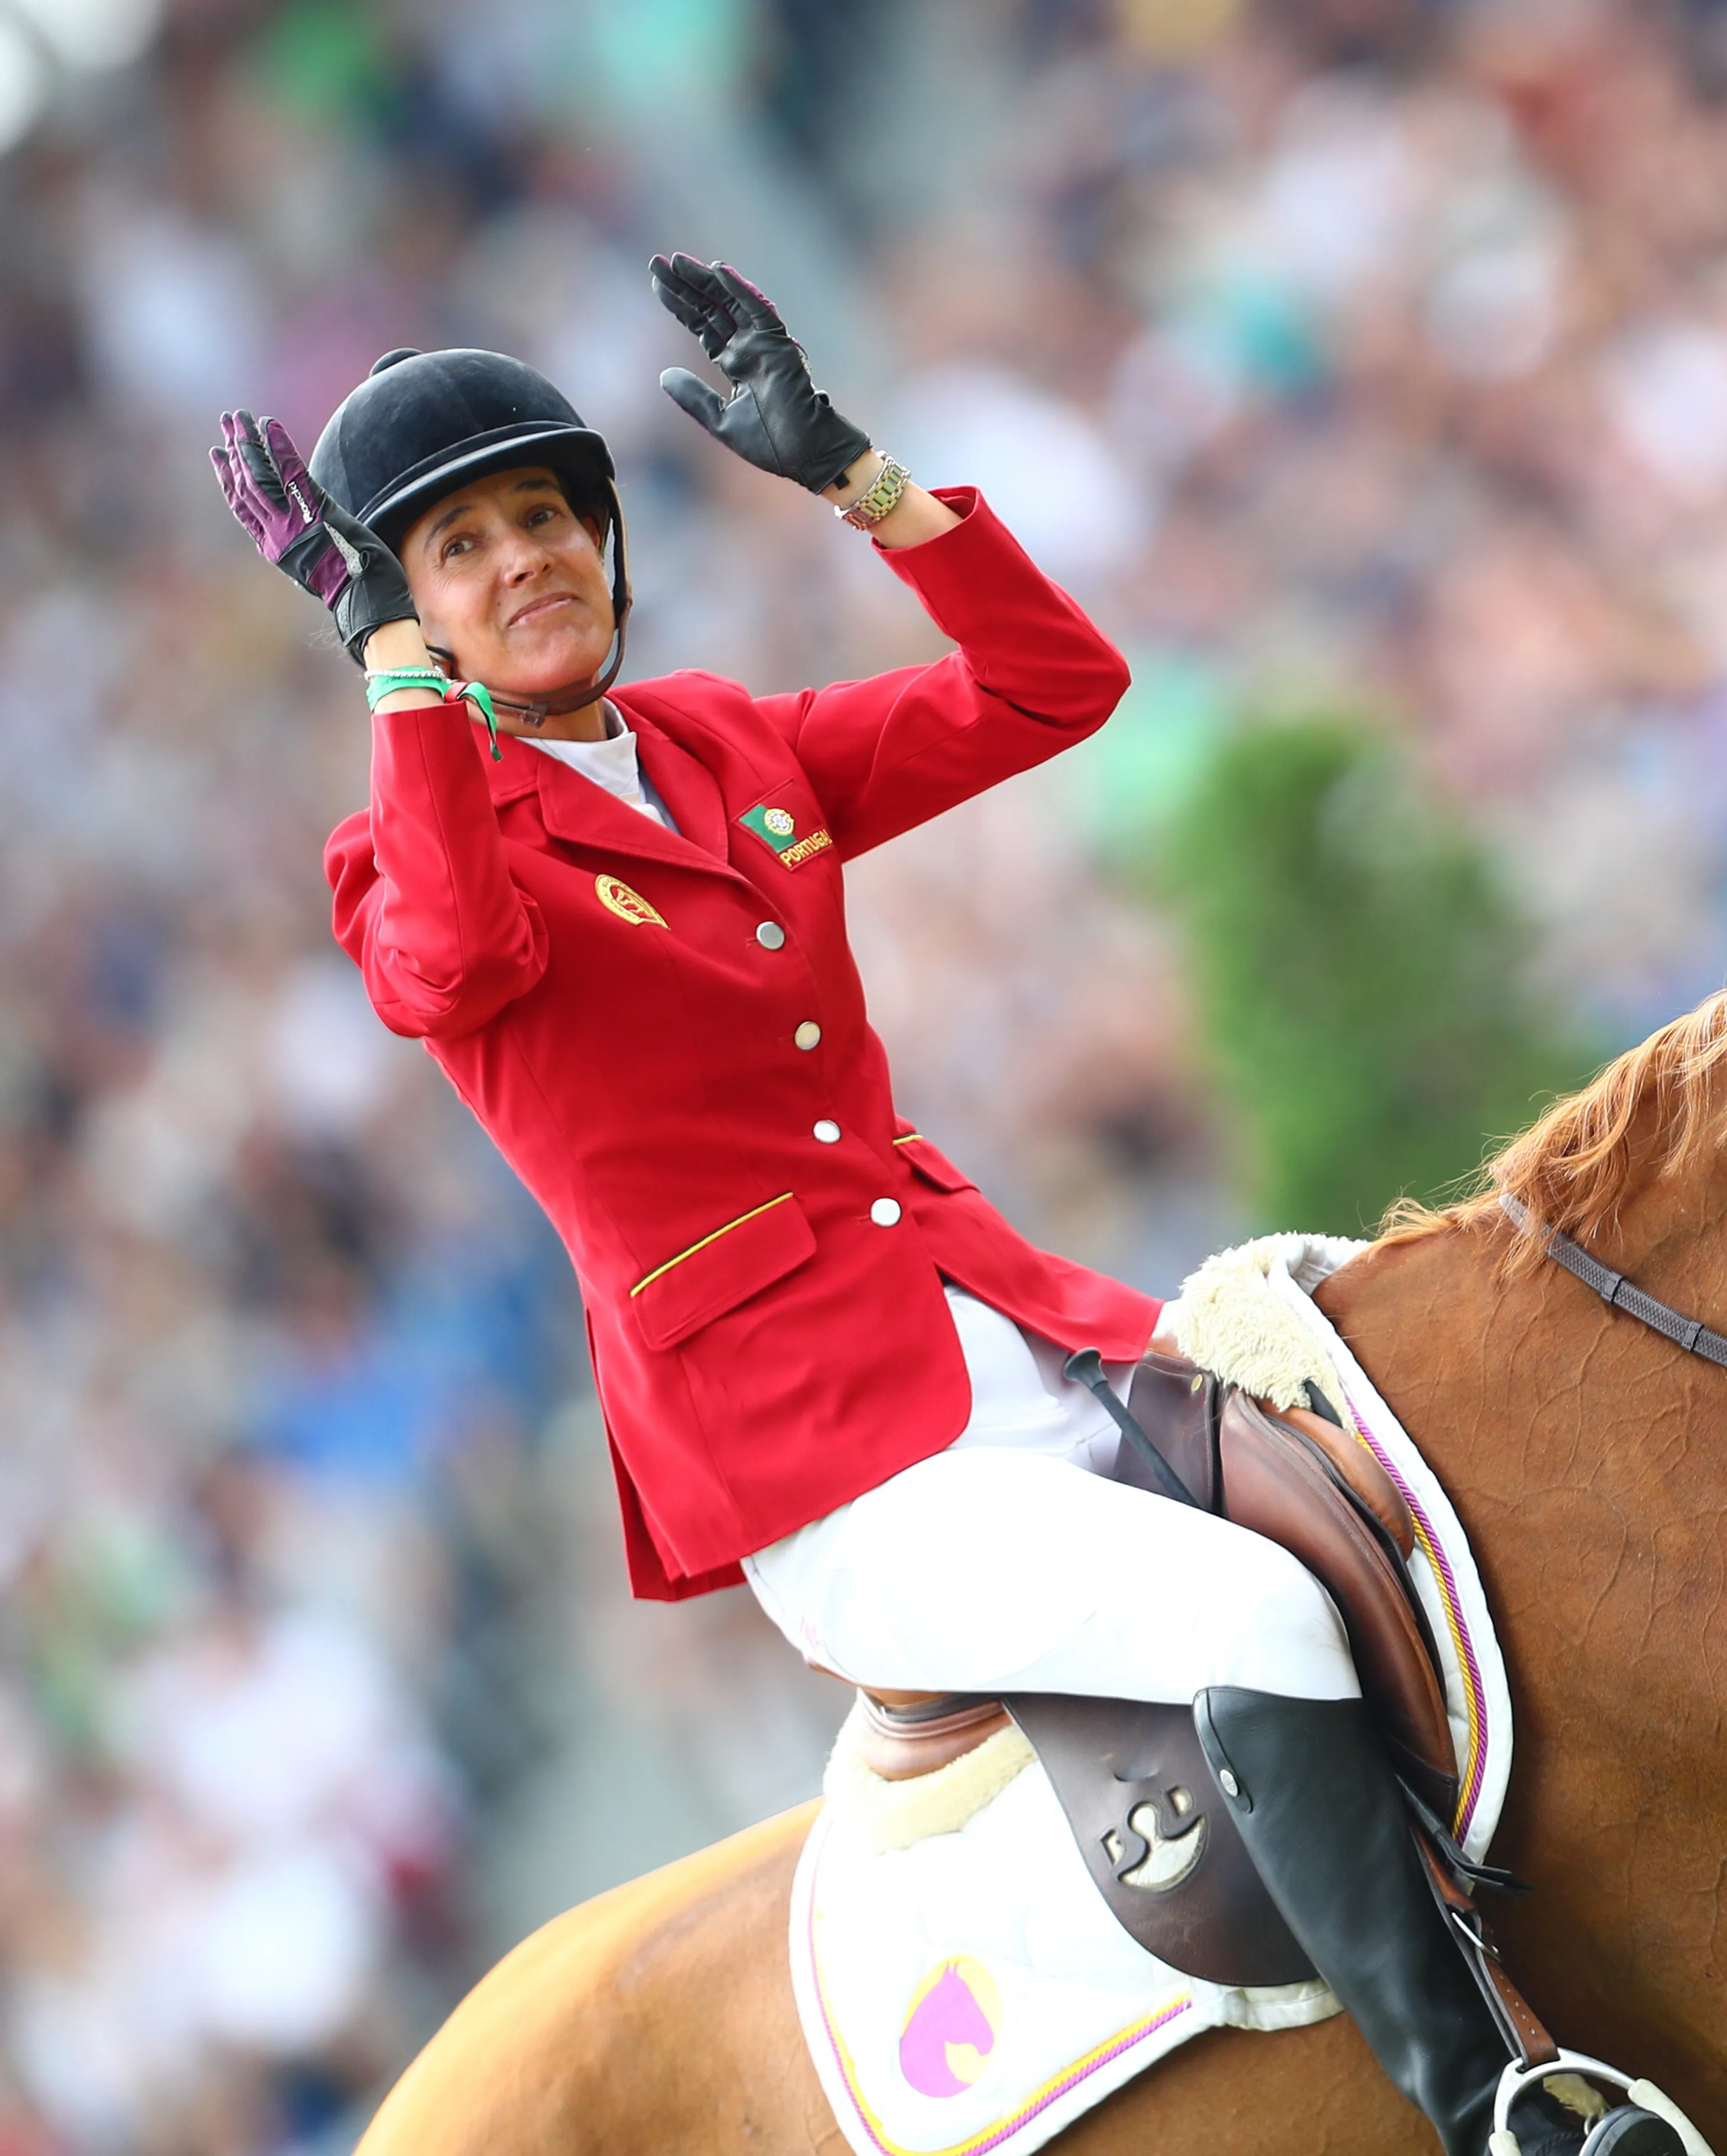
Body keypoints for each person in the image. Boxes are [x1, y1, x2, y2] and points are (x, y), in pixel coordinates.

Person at [212, 255, 1639, 2156]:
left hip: (1006, 1325)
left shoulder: (720, 741)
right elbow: (459, 955)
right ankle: (1494, 2109)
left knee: (1426, 1481)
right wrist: (391, 671)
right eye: (461, 550)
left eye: (546, 516)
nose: (525, 562)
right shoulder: (402, 850)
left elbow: (1059, 685)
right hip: (826, 1468)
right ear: (409, 607)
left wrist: (866, 482)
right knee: (1258, 1620)